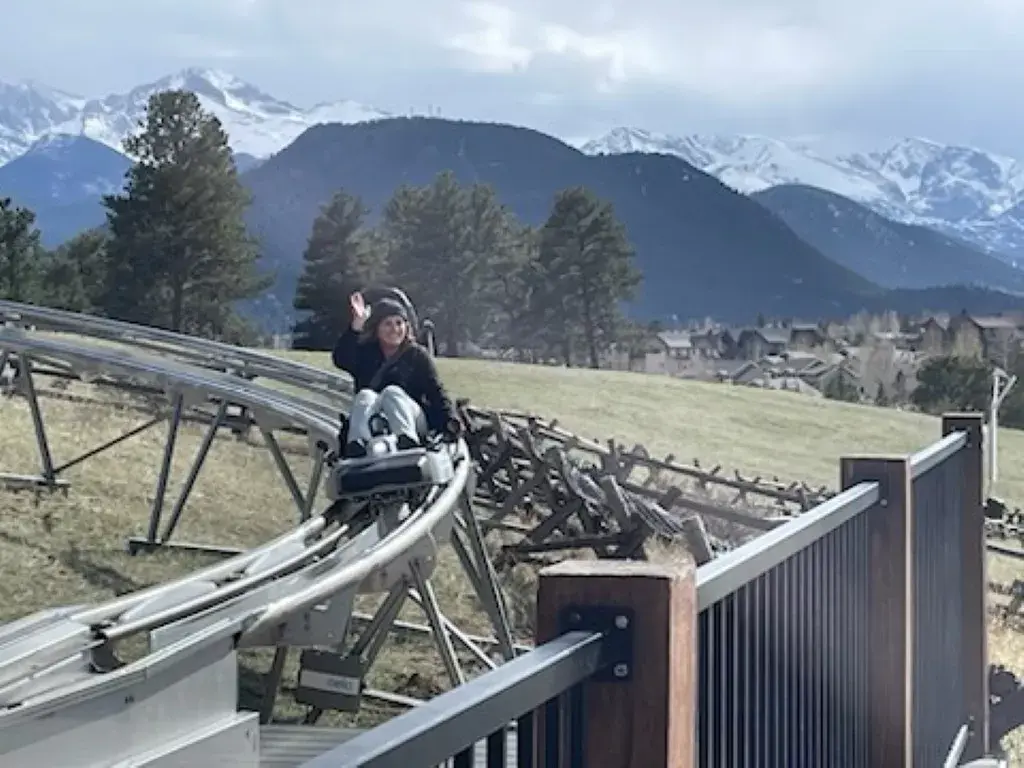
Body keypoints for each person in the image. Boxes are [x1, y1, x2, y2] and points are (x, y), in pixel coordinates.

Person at [331, 290, 461, 458]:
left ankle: (407, 440)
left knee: (392, 392)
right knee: (365, 395)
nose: (394, 329)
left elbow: (436, 391)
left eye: (399, 323)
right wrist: (356, 326)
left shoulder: (417, 355)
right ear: (377, 328)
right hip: (376, 421)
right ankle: (358, 444)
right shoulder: (366, 353)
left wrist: (450, 421)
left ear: (406, 327)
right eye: (388, 324)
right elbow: (341, 359)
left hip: (413, 420)